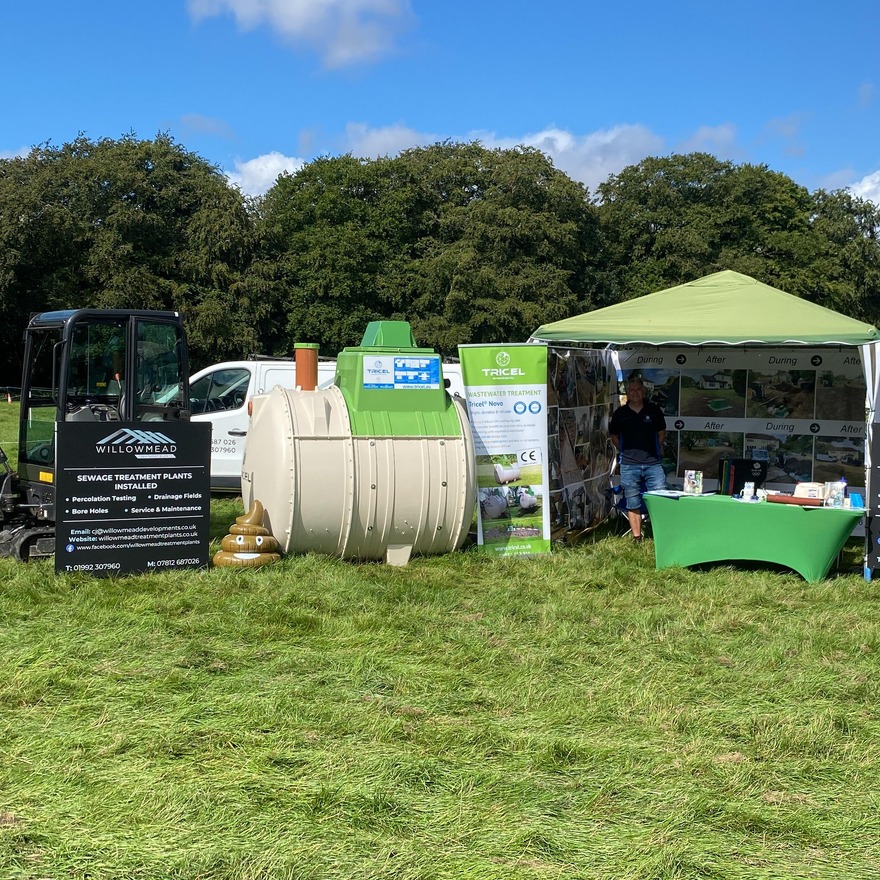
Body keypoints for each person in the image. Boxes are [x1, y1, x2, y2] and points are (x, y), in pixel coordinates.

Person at [609, 376, 667, 541]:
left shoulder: (654, 410)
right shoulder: (620, 413)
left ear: (644, 391)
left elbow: (662, 433)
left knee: (660, 499)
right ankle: (637, 538)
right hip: (629, 464)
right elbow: (613, 435)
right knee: (632, 501)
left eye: (638, 390)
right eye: (631, 390)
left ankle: (660, 536)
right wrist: (624, 450)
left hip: (653, 464)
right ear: (627, 393)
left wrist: (653, 450)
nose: (635, 393)